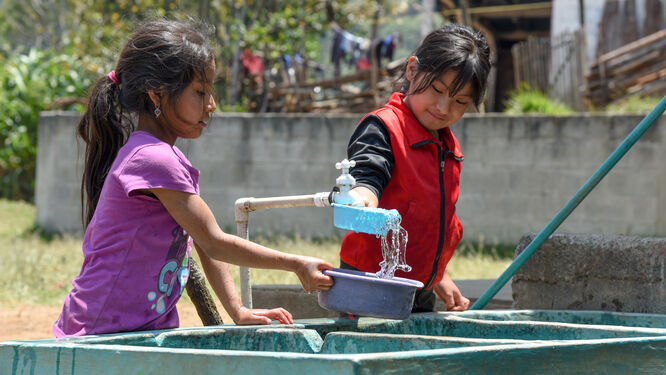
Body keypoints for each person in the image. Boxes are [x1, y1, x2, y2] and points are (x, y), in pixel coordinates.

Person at [53, 18, 333, 337]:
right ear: (156, 95)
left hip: (133, 329)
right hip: (99, 333)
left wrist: (237, 310)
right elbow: (215, 241)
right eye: (200, 92)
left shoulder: (160, 157)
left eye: (210, 91)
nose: (211, 105)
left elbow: (202, 240)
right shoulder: (153, 158)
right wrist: (296, 263)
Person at [339, 24, 491, 314]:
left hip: (419, 289)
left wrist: (439, 275)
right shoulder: (383, 127)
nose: (444, 108)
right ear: (412, 70)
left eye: (460, 101)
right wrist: (362, 197)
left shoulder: (446, 145)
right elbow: (369, 173)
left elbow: (430, 222)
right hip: (371, 285)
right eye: (437, 90)